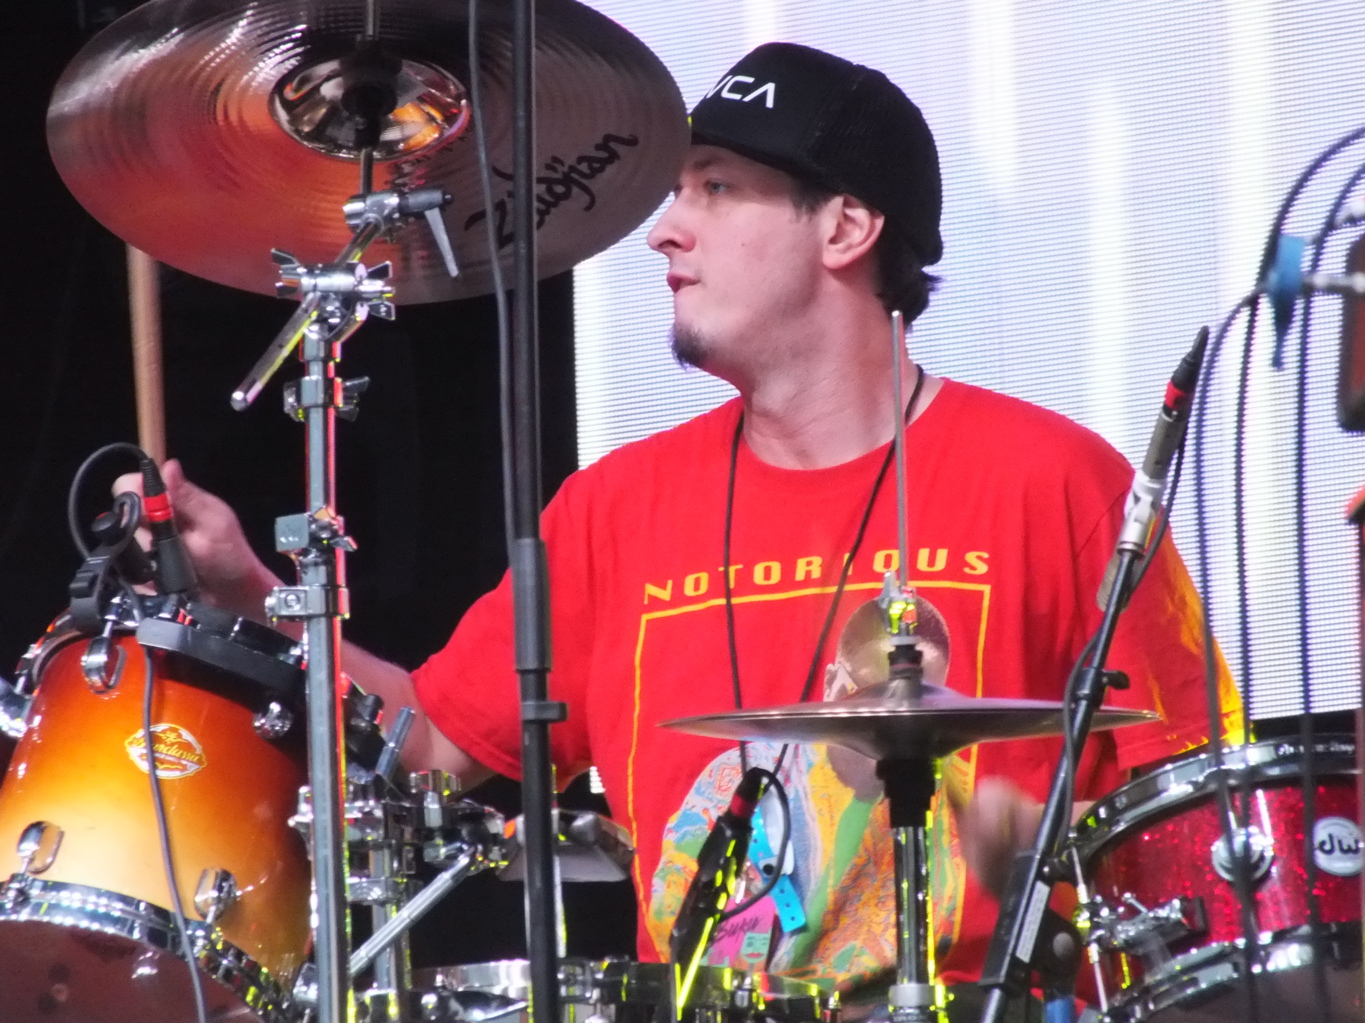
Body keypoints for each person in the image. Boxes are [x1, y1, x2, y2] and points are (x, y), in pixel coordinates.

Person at [121, 42, 1236, 1018]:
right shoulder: (614, 509)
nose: (665, 231)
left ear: (845, 226)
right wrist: (253, 595)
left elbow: (1199, 825)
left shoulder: (1057, 482)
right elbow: (432, 749)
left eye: (715, 188)